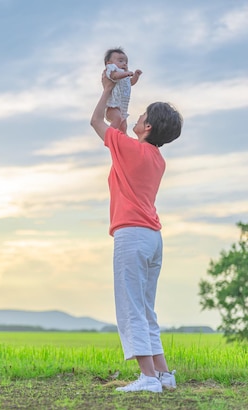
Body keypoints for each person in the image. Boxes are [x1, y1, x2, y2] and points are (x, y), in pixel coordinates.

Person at [90, 69, 183, 393]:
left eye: (141, 116)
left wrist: (107, 89)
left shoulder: (130, 149)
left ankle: (147, 378)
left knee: (131, 308)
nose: (138, 117)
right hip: (153, 238)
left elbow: (97, 122)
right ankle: (163, 374)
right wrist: (122, 92)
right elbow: (118, 128)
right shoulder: (156, 158)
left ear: (147, 127)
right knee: (145, 308)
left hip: (131, 235)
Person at [104, 47, 142, 134]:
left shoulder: (125, 75)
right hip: (113, 106)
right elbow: (114, 76)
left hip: (123, 109)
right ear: (109, 63)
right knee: (117, 119)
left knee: (124, 127)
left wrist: (136, 76)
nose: (124, 64)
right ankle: (109, 136)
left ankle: (122, 140)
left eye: (126, 62)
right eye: (121, 61)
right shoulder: (112, 70)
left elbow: (131, 82)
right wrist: (126, 74)